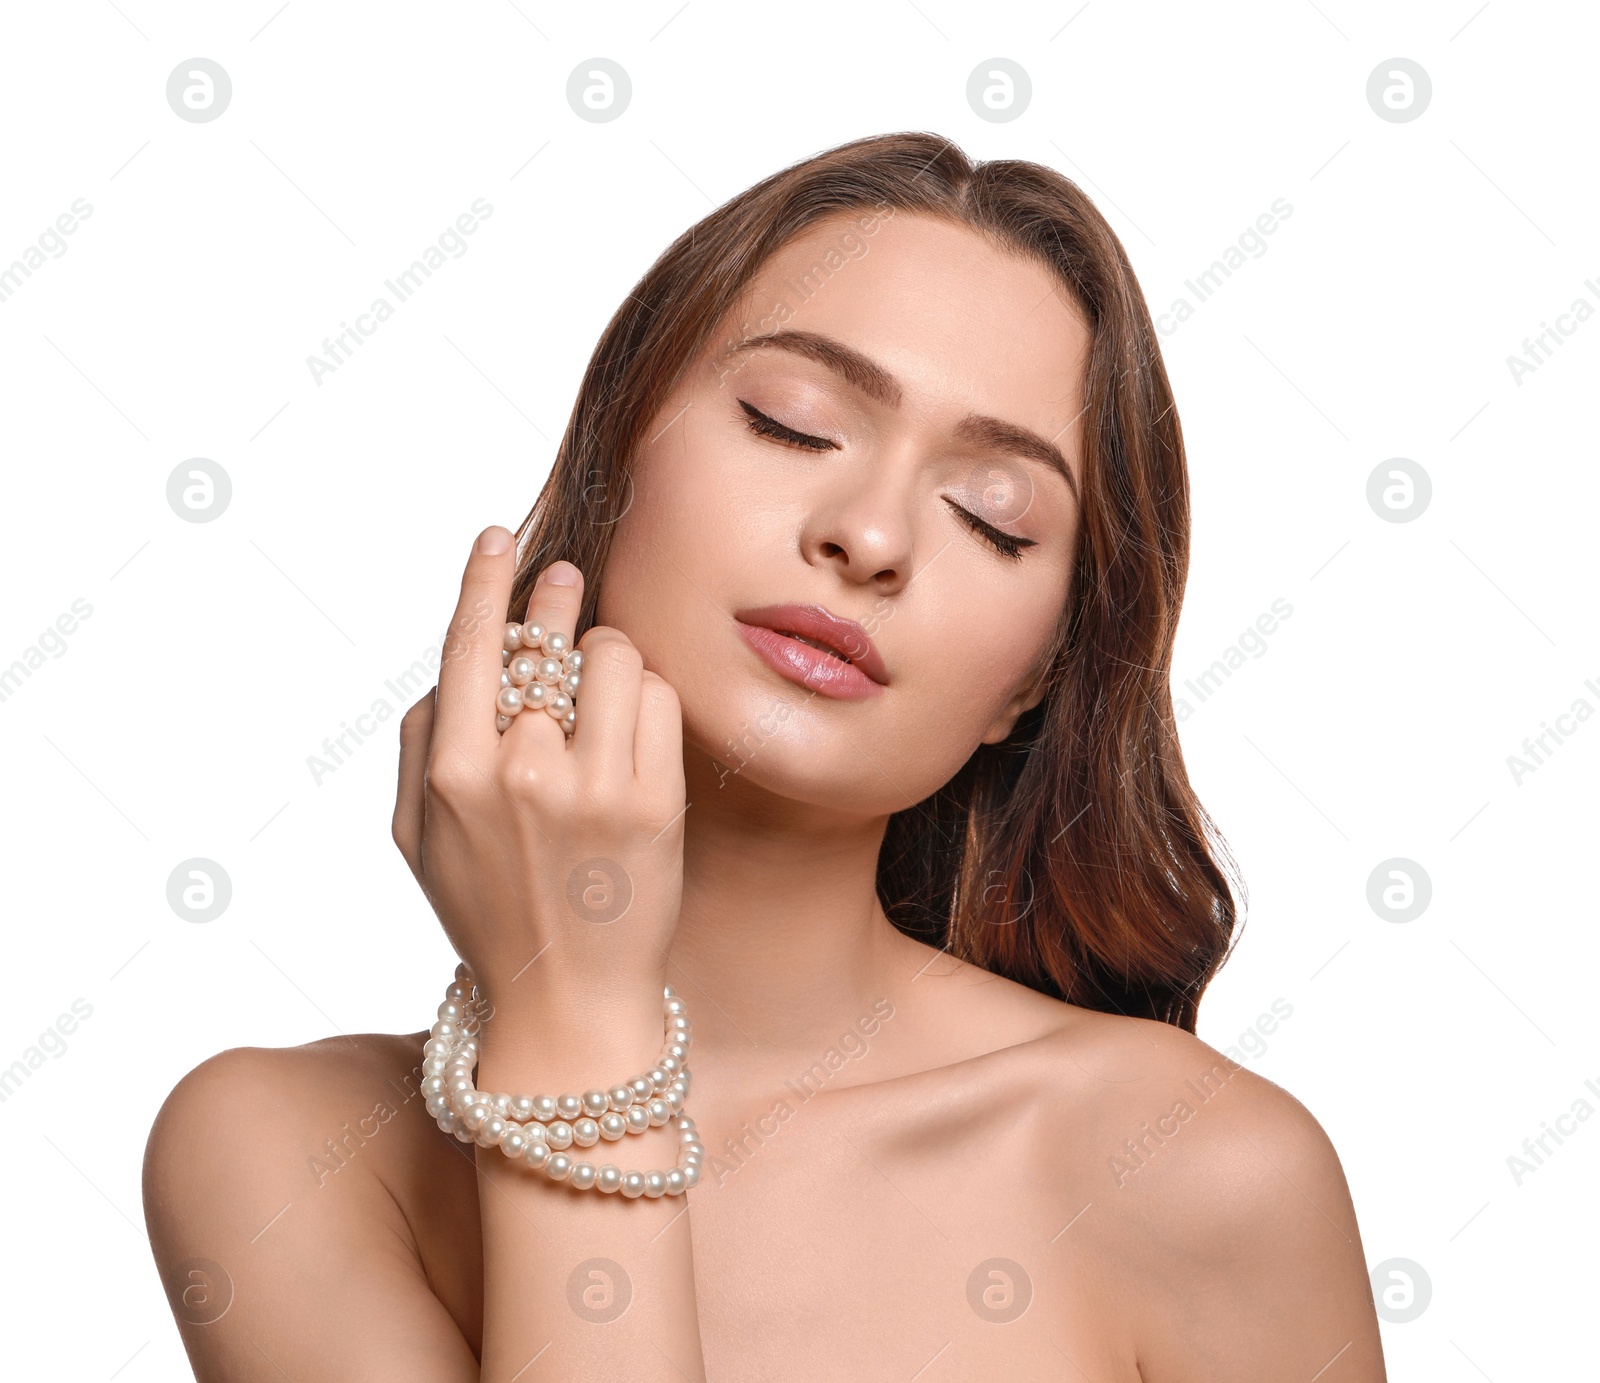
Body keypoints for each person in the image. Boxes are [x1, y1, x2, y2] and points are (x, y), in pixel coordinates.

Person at [143, 132, 1386, 1381]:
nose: (871, 534)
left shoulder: (1198, 1169)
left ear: (1036, 681)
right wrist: (575, 1015)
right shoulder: (280, 1152)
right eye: (789, 424)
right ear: (613, 462)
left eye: (990, 516)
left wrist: (578, 1023)